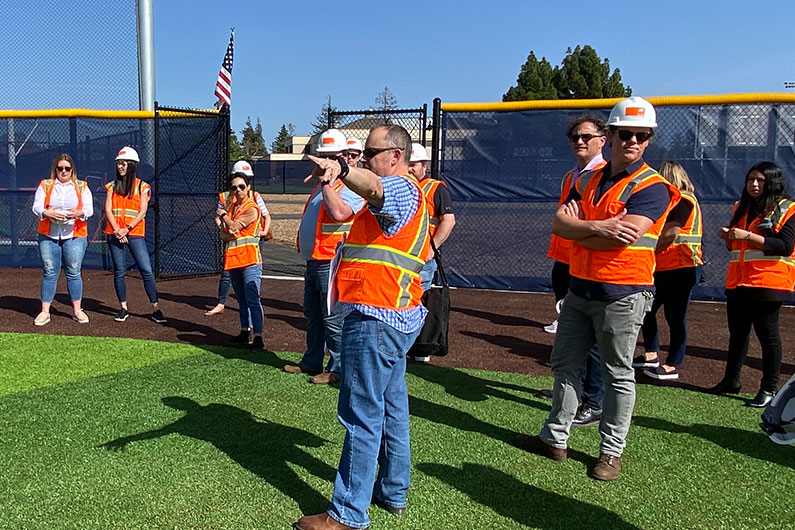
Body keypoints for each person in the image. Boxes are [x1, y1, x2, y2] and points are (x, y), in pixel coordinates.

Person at [513, 97, 680, 482]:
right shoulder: (586, 179)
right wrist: (601, 228)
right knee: (564, 365)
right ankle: (555, 438)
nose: (634, 141)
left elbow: (625, 237)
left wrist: (586, 229)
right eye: (627, 134)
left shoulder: (653, 186)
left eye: (643, 136)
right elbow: (559, 225)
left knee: (617, 373)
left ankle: (611, 453)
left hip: (623, 292)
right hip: (581, 288)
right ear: (613, 135)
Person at [292, 125, 430, 530]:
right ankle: (392, 491)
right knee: (392, 408)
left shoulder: (401, 188)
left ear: (396, 156)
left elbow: (372, 186)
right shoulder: (399, 195)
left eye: (370, 151)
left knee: (362, 416)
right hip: (393, 316)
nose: (363, 158)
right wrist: (337, 176)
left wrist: (341, 169)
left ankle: (348, 514)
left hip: (376, 318)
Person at [283, 129, 366, 385]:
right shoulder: (323, 184)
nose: (325, 161)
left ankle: (338, 368)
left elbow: (339, 213)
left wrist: (328, 181)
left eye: (331, 156)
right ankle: (312, 361)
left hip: (332, 260)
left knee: (332, 316)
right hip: (316, 259)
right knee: (313, 313)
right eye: (322, 155)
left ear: (344, 158)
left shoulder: (350, 185)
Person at [711, 161, 795, 408]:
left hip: (768, 281)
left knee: (768, 336)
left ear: (772, 182)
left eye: (760, 180)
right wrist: (728, 237)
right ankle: (731, 380)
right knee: (738, 334)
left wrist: (747, 236)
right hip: (739, 280)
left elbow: (785, 245)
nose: (754, 185)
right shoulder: (741, 207)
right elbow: (736, 247)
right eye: (750, 180)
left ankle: (769, 389)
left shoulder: (788, 208)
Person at [543, 116, 608, 429]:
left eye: (586, 136)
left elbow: (581, 221)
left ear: (602, 140)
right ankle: (574, 394)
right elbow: (563, 220)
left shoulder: (603, 175)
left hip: (592, 266)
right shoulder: (573, 175)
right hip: (567, 261)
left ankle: (594, 401)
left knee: (593, 339)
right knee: (573, 336)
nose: (579, 141)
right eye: (574, 137)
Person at [636, 162, 703, 381]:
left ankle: (673, 363)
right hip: (665, 266)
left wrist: (647, 250)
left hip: (681, 266)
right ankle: (652, 353)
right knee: (647, 310)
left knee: (675, 316)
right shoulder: (674, 201)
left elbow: (672, 233)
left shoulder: (684, 199)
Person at [104, 146, 165, 324]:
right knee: (119, 271)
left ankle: (156, 308)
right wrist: (117, 230)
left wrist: (126, 229)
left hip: (134, 233)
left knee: (146, 270)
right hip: (115, 233)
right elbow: (108, 209)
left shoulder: (142, 187)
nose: (120, 166)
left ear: (131, 165)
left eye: (123, 163)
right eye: (118, 163)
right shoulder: (112, 186)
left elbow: (142, 211)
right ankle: (123, 308)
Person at [406, 142, 456, 363]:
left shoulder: (436, 188)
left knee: (418, 301)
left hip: (422, 258)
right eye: (408, 164)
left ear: (424, 165)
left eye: (414, 164)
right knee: (407, 301)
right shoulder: (405, 186)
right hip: (405, 255)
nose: (410, 169)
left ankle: (421, 348)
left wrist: (430, 250)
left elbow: (449, 220)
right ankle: (413, 346)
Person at [31, 154, 93, 325]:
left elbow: (89, 209)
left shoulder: (81, 186)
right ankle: (45, 312)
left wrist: (79, 213)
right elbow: (36, 206)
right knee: (50, 272)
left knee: (73, 271)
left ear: (72, 169)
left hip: (75, 235)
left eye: (67, 168)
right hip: (49, 234)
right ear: (55, 170)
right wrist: (47, 212)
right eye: (60, 168)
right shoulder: (46, 185)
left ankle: (77, 310)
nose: (64, 171)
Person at [205, 160, 271, 318]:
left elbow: (265, 215)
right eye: (236, 185)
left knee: (251, 284)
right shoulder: (225, 197)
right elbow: (219, 218)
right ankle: (222, 303)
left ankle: (254, 330)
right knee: (229, 277)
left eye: (245, 182)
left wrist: (264, 232)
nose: (239, 189)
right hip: (233, 243)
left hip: (249, 244)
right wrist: (224, 230)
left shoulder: (254, 197)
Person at [217, 171, 265, 349]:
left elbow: (233, 228)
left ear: (248, 188)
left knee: (253, 299)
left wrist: (223, 217)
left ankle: (258, 336)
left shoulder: (251, 208)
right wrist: (228, 226)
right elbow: (224, 234)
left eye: (241, 187)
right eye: (234, 187)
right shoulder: (232, 208)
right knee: (242, 300)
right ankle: (245, 332)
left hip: (250, 260)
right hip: (235, 260)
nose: (237, 190)